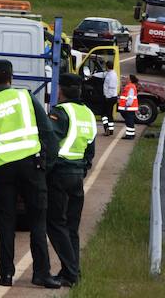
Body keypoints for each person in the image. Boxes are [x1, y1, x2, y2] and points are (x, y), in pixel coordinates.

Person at [0, 59, 61, 289]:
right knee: (37, 220)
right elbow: (48, 132)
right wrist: (49, 164)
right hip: (31, 166)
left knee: (7, 221)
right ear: (11, 77)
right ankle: (41, 274)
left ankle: (6, 275)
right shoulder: (25, 97)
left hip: (4, 169)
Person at [47, 73, 96, 288]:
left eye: (58, 88)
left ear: (63, 91)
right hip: (77, 175)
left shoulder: (61, 112)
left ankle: (71, 273)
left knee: (55, 224)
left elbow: (50, 143)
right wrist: (83, 168)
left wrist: (45, 168)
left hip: (60, 173)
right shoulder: (88, 114)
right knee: (72, 227)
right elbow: (90, 150)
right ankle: (73, 271)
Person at [117, 74, 139, 140]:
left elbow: (130, 98)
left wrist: (127, 105)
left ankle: (129, 135)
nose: (126, 79)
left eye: (127, 78)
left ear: (130, 80)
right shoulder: (129, 86)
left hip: (129, 108)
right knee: (129, 121)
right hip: (129, 107)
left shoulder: (130, 87)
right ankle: (131, 134)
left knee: (129, 121)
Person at [101, 60, 118, 136]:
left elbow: (110, 87)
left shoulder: (109, 76)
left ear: (107, 66)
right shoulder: (113, 74)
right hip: (114, 97)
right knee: (109, 114)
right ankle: (111, 130)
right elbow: (102, 74)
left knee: (104, 114)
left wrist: (107, 97)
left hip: (109, 97)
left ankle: (106, 128)